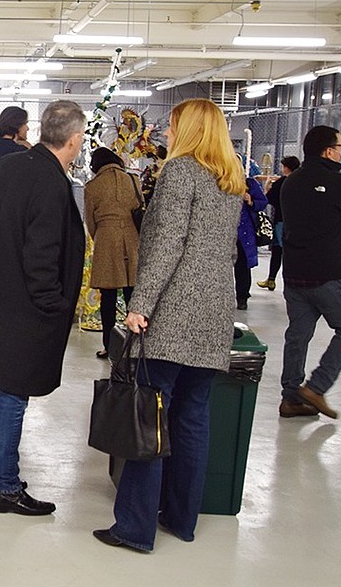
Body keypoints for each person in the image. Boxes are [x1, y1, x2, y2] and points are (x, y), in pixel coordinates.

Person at [91, 98, 245, 553]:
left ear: (189, 128)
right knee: (194, 417)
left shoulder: (181, 173)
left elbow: (167, 247)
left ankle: (134, 529)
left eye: (173, 124)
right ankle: (182, 519)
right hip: (216, 310)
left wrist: (139, 304)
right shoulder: (230, 179)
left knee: (148, 416)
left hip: (175, 310)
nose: (167, 132)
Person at [0, 100, 86, 516]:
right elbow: (42, 251)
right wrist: (52, 303)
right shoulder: (49, 180)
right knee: (12, 393)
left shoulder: (8, 166)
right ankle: (5, 487)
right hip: (26, 303)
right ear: (75, 139)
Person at [277, 125, 341, 420]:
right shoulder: (338, 181)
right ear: (329, 151)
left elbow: (314, 219)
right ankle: (316, 387)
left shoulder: (291, 182)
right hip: (329, 272)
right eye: (340, 146)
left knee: (298, 335)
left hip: (294, 273)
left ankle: (290, 398)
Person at [84, 147, 142, 358]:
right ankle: (135, 344)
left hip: (106, 239)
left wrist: (100, 236)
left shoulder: (93, 186)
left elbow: (90, 221)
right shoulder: (133, 180)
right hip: (132, 237)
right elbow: (141, 207)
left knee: (107, 297)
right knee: (133, 294)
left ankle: (110, 346)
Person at [257, 156, 300, 290]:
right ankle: (292, 282)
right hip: (297, 222)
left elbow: (268, 199)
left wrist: (268, 185)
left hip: (281, 220)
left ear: (286, 167)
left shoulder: (282, 182)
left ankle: (271, 279)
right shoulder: (301, 181)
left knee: (278, 250)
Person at [234, 175, 268, 310]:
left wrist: (250, 201)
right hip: (225, 231)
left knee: (242, 266)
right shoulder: (218, 181)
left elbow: (263, 202)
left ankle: (242, 297)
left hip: (244, 232)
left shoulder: (250, 184)